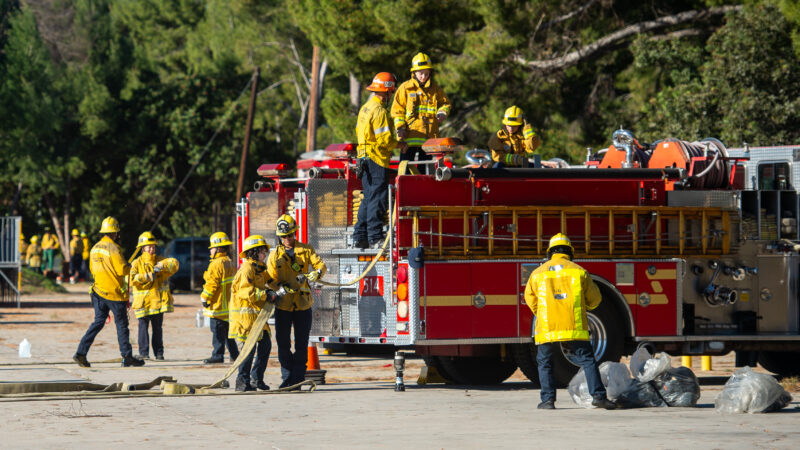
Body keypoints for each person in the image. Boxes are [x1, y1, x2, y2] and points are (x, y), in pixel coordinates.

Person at [524, 233, 616, 410]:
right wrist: (585, 306)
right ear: (569, 252)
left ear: (550, 252)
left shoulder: (537, 274)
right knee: (588, 360)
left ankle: (548, 400)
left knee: (545, 362)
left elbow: (529, 297)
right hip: (574, 327)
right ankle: (598, 396)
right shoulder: (579, 271)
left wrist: (541, 312)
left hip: (547, 327)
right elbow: (595, 299)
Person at [74, 216, 145, 368]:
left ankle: (81, 353)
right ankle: (127, 357)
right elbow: (121, 270)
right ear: (115, 233)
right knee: (121, 326)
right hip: (114, 294)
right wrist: (129, 266)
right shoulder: (114, 248)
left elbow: (93, 270)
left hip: (98, 292)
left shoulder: (94, 248)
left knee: (98, 323)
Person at [267, 214, 326, 389]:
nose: (287, 239)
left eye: (290, 235)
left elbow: (321, 266)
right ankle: (287, 377)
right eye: (283, 236)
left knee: (301, 344)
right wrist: (278, 288)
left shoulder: (306, 250)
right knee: (283, 343)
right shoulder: (274, 256)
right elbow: (270, 278)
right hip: (283, 305)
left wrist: (315, 274)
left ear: (295, 233)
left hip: (302, 304)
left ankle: (297, 379)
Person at [352, 72, 406, 249]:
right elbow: (384, 140)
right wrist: (399, 144)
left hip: (363, 157)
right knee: (378, 197)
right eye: (391, 92)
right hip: (376, 159)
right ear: (387, 92)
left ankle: (360, 236)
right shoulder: (380, 111)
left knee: (368, 197)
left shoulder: (366, 108)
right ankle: (375, 236)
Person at [230, 235, 277, 392]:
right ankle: (242, 382)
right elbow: (246, 292)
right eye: (263, 252)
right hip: (245, 321)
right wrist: (266, 295)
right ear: (255, 252)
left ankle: (256, 379)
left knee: (265, 347)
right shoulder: (247, 269)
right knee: (247, 353)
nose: (265, 255)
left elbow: (271, 280)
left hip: (257, 319)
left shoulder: (259, 270)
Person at [390, 52, 451, 167]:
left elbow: (446, 104)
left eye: (426, 73)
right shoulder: (405, 88)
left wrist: (442, 112)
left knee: (426, 174)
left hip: (428, 141)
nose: (423, 77)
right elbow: (397, 111)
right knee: (406, 171)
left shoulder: (435, 89)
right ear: (414, 73)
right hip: (408, 139)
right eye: (421, 73)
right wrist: (400, 128)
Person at [130, 231, 179, 360]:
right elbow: (130, 279)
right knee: (143, 328)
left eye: (153, 246)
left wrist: (161, 265)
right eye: (148, 246)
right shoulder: (137, 263)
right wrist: (146, 276)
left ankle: (159, 353)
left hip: (157, 302)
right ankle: (143, 353)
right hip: (143, 303)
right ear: (142, 248)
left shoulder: (160, 260)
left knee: (157, 329)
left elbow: (175, 264)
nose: (151, 249)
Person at [200, 231, 240, 364]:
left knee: (217, 333)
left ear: (218, 248)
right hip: (228, 307)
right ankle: (235, 355)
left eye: (212, 248)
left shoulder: (216, 264)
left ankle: (217, 355)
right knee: (229, 334)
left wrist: (205, 298)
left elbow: (212, 284)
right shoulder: (229, 262)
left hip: (217, 307)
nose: (210, 250)